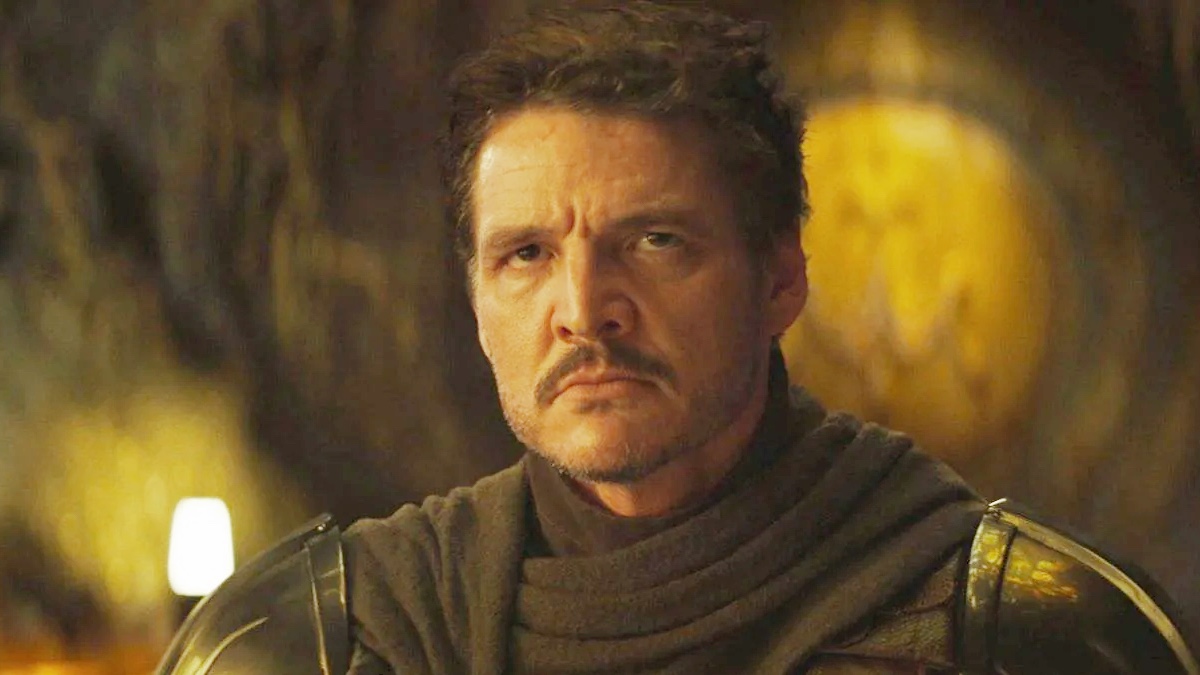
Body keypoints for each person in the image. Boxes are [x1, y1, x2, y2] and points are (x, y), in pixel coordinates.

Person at [154, 3, 1198, 674]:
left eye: (654, 242)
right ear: (476, 300)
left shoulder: (1021, 634)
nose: (584, 307)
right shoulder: (324, 642)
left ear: (779, 279)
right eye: (526, 254)